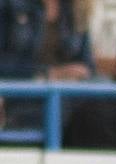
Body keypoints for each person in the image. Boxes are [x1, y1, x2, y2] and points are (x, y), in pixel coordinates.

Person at [0, 0, 95, 133]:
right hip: (20, 93)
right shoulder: (9, 4)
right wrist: (47, 73)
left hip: (67, 94)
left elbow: (87, 64)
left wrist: (80, 72)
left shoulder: (75, 7)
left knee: (102, 104)